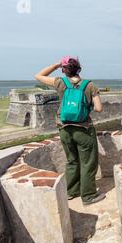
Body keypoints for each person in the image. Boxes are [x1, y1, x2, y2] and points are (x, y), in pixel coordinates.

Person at [34, 56, 105, 206]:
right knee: (88, 163)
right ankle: (88, 196)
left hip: (65, 129)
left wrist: (55, 64)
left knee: (72, 161)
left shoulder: (60, 82)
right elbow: (99, 108)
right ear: (79, 68)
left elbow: (38, 76)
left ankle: (71, 192)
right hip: (83, 129)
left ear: (64, 69)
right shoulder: (89, 85)